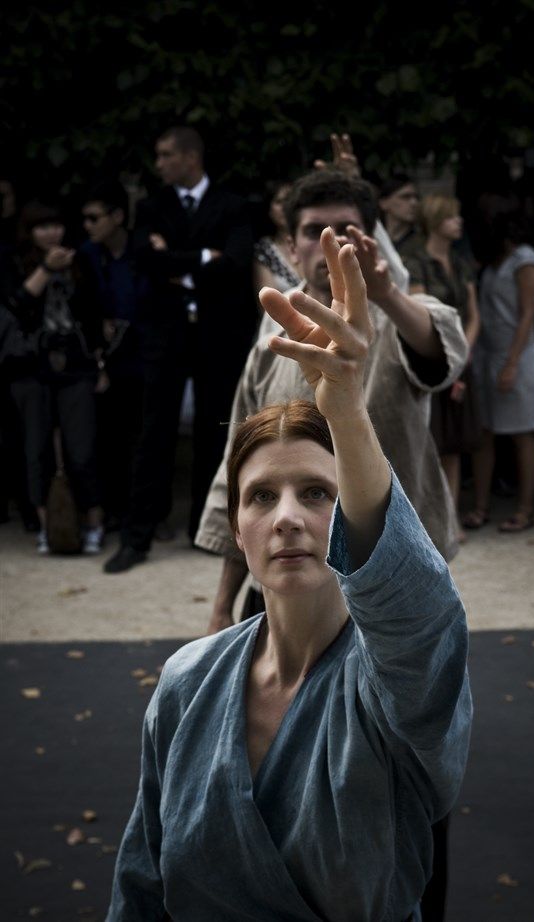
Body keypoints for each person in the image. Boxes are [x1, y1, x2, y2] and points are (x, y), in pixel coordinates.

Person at [106, 227, 473, 922]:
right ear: (237, 526)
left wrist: (346, 407)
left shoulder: (394, 682)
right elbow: (142, 881)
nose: (286, 518)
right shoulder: (187, 683)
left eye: (316, 492)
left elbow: (419, 614)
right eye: (261, 497)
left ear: (353, 511)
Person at [197, 168, 468, 635]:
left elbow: (441, 349)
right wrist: (222, 606)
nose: (329, 244)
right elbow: (239, 471)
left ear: (370, 239)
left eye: (345, 230)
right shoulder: (274, 339)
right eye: (313, 231)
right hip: (287, 579)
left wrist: (385, 294)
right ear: (291, 246)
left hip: (390, 576)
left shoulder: (402, 318)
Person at [103, 126, 257, 573]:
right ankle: (137, 537)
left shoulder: (232, 205)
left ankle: (205, 531)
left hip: (217, 337)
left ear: (191, 157)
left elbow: (236, 263)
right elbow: (145, 260)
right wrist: (205, 257)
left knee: (216, 432)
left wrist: (175, 260)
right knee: (154, 433)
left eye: (166, 154)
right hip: (166, 336)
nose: (159, 163)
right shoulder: (153, 206)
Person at [0, 200, 106, 553]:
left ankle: (93, 523)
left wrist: (99, 363)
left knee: (82, 449)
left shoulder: (81, 260)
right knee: (37, 450)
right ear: (29, 231)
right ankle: (49, 527)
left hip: (75, 365)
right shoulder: (14, 261)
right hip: (30, 366)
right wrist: (46, 269)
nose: (51, 233)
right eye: (42, 226)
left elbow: (94, 315)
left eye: (56, 225)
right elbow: (14, 307)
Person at [463, 202, 534, 532]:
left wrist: (512, 363)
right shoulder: (491, 260)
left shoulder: (525, 259)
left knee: (522, 434)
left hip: (519, 356)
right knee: (484, 432)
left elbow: (528, 313)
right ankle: (481, 507)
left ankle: (525, 510)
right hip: (487, 354)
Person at [405, 195, 482, 541]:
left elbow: (474, 315)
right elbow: (422, 312)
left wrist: (462, 353)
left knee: (454, 440)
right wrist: (449, 355)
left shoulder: (461, 262)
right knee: (430, 442)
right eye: (451, 217)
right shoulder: (415, 261)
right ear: (435, 221)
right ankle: (427, 520)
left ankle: (451, 519)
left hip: (461, 359)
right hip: (432, 360)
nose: (458, 222)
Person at [78, 179, 150, 531]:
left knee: (144, 438)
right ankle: (115, 511)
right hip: (106, 359)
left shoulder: (143, 250)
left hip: (144, 356)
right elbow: (84, 306)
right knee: (109, 438)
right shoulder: (88, 255)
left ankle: (145, 515)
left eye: (94, 218)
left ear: (117, 216)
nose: (88, 226)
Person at [253, 179, 302, 295]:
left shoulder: (314, 242)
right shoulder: (265, 250)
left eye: (289, 200)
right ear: (269, 210)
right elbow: (267, 301)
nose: (285, 207)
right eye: (279, 202)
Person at [378, 172, 425, 265]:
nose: (414, 203)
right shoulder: (374, 238)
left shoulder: (423, 242)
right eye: (405, 197)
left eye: (416, 198)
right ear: (384, 203)